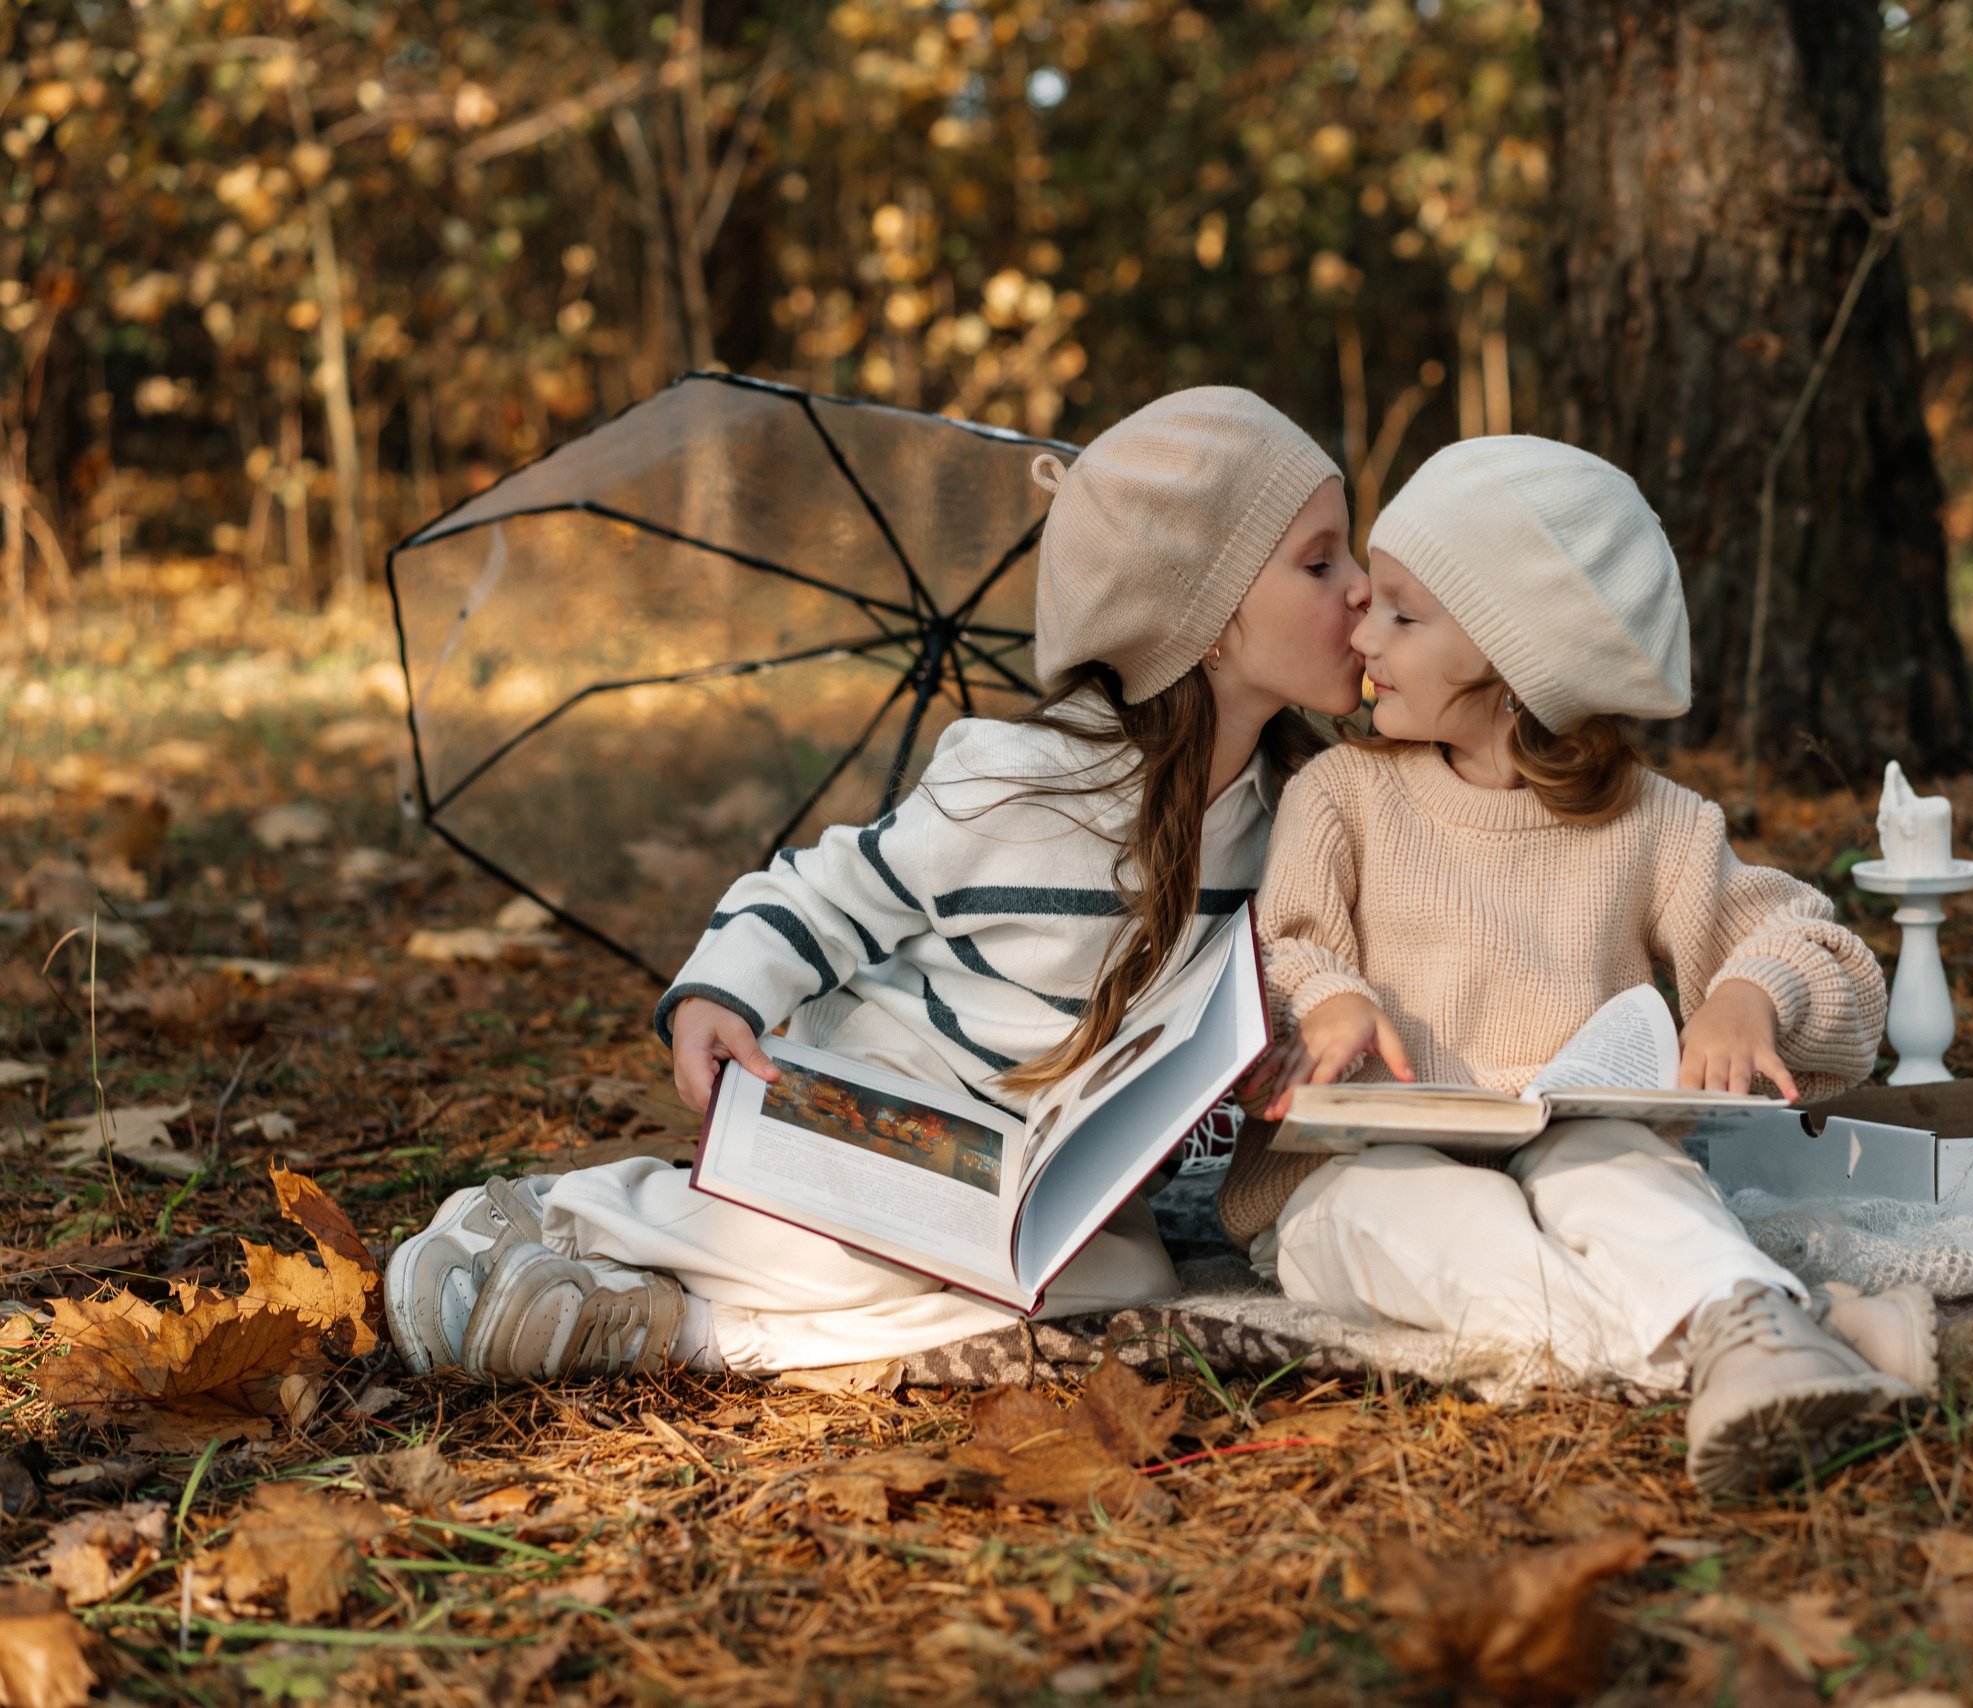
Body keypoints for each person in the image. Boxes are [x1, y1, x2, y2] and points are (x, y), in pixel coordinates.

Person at [385, 388, 1370, 1384]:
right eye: (1321, 561)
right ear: (1202, 610)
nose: (1363, 588)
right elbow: (827, 890)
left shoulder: (1290, 809)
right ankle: (562, 1218)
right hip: (890, 1111)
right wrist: (726, 990)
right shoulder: (1019, 782)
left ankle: (666, 1321)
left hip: (1040, 1172)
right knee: (846, 1253)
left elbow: (1253, 989)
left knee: (1123, 1291)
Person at [1220, 435, 1934, 1493]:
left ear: (1515, 664)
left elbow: (1817, 952)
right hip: (1350, 1167)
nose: (1361, 626)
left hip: (1567, 1136)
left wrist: (1748, 994)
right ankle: (1792, 1335)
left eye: (1405, 614)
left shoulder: (1655, 824)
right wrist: (1325, 1000)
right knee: (1433, 1233)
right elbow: (1286, 941)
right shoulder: (1343, 794)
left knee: (1624, 1180)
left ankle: (1751, 1334)